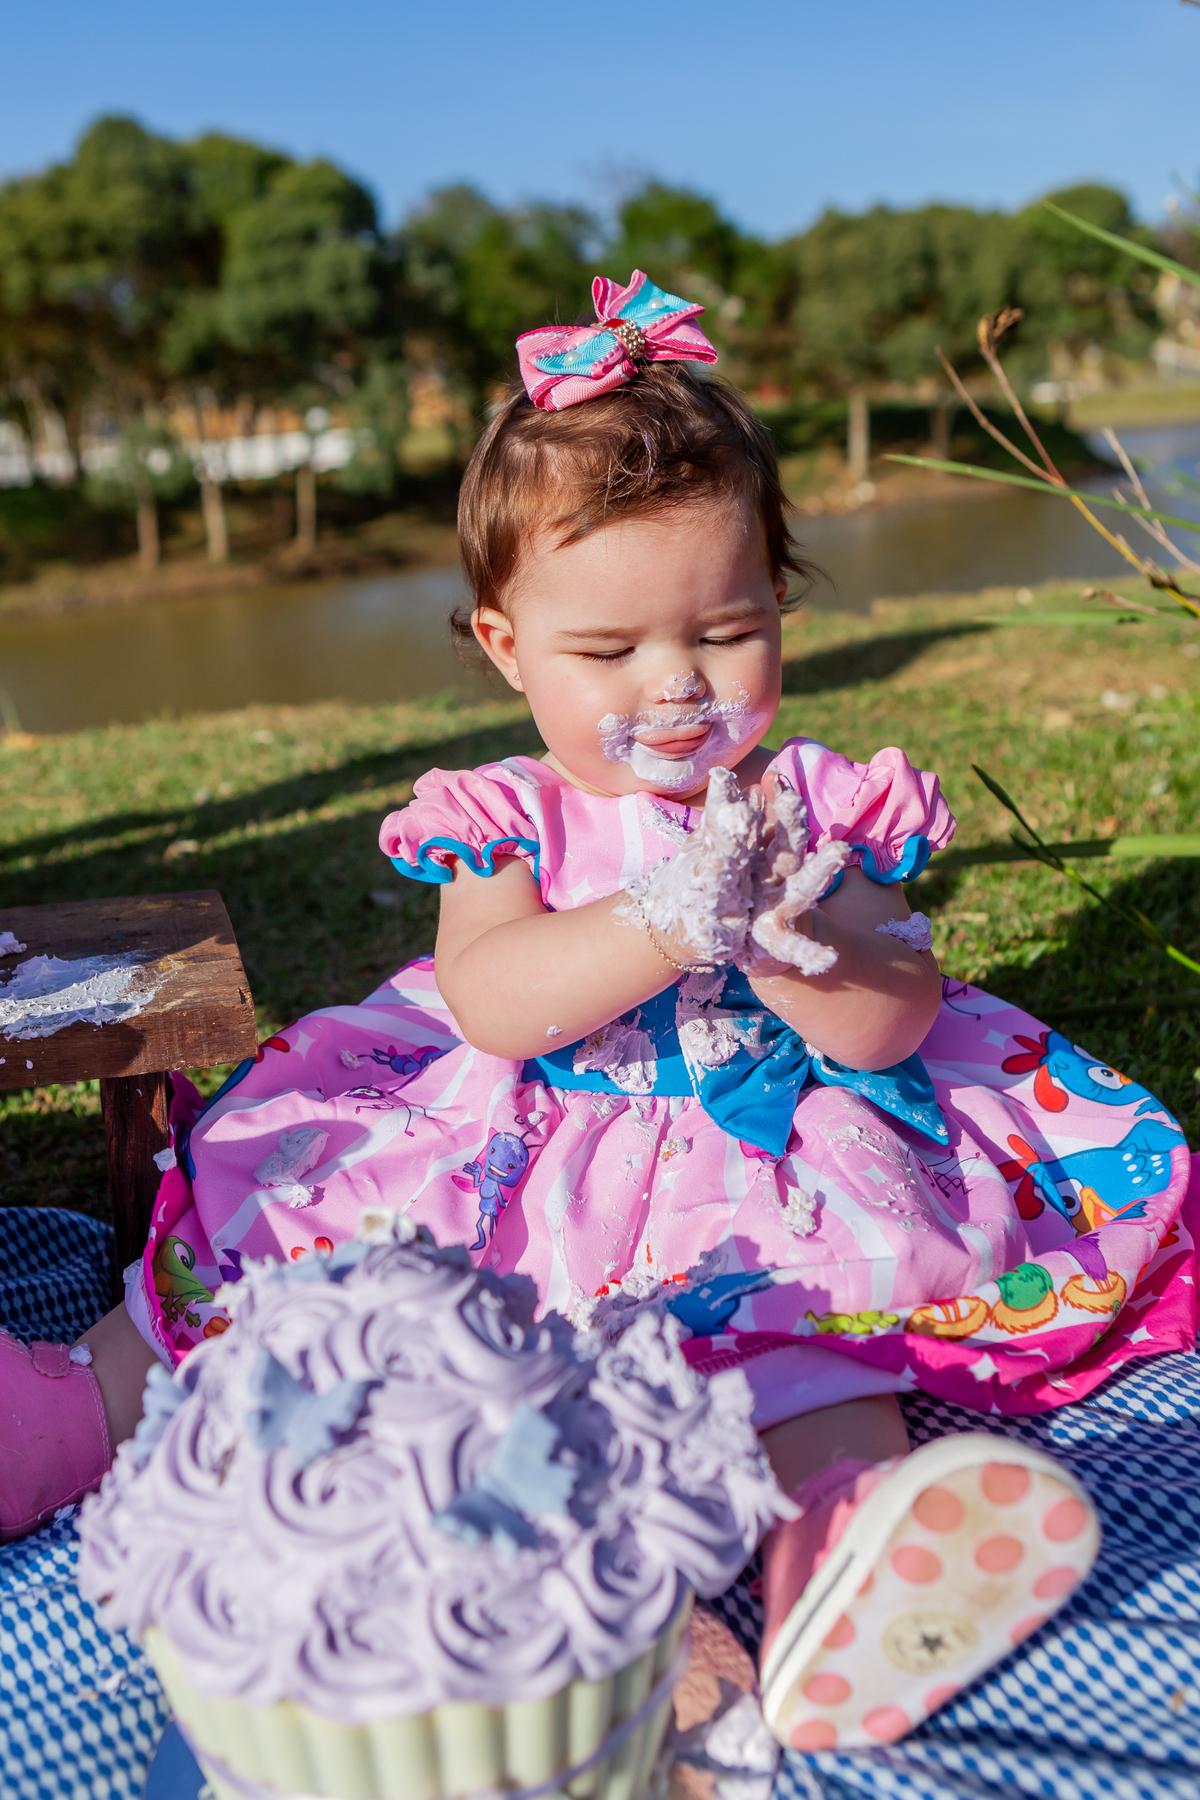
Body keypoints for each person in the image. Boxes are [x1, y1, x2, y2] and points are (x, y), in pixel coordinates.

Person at [3, 273, 1192, 1752]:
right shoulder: (503, 815)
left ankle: (843, 1555)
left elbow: (896, 1017)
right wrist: (664, 918)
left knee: (809, 1338)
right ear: (508, 648)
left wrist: (792, 947)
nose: (678, 686)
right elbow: (496, 1002)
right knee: (302, 1248)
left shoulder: (814, 805)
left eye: (726, 630)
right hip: (515, 1143)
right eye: (611, 653)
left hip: (772, 1153)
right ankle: (76, 1411)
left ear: (779, 607)